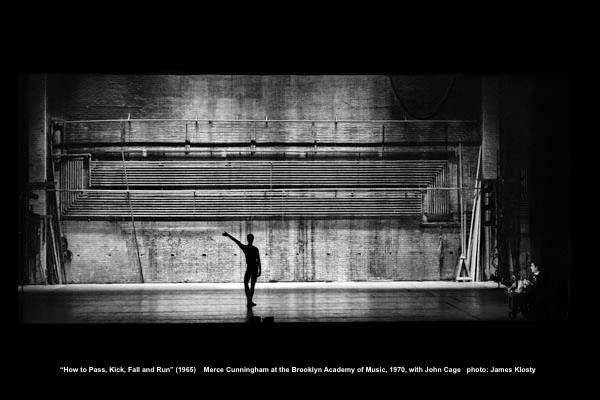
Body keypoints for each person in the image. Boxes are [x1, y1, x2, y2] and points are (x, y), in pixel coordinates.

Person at [222, 231, 261, 307]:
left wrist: (228, 235)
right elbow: (258, 260)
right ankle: (250, 301)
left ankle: (249, 301)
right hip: (254, 268)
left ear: (247, 239)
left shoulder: (245, 248)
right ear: (253, 239)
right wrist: (260, 270)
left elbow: (236, 241)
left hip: (250, 267)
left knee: (246, 283)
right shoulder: (255, 249)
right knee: (252, 285)